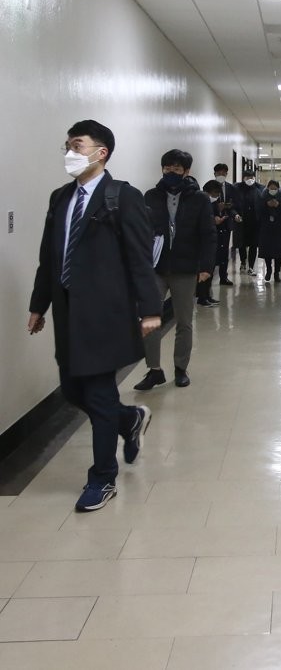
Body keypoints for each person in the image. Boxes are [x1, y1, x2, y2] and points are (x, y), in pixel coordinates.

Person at [28, 119, 162, 512]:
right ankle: (129, 420)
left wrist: (151, 308)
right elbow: (47, 259)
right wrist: (39, 305)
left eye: (78, 145)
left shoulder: (122, 196)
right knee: (73, 390)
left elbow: (139, 256)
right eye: (67, 145)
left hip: (106, 313)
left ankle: (102, 478)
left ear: (101, 152)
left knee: (100, 393)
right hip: (69, 312)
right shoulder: (60, 198)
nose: (70, 153)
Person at [135, 150, 216, 390]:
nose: (172, 173)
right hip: (156, 269)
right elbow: (140, 232)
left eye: (177, 169)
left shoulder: (199, 199)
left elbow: (208, 235)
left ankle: (180, 368)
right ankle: (154, 370)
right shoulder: (150, 196)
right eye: (168, 168)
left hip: (186, 268)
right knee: (149, 319)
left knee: (184, 321)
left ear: (187, 172)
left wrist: (206, 266)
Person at [196, 178, 234, 306]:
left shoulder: (212, 203)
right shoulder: (201, 202)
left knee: (210, 269)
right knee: (204, 270)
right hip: (203, 241)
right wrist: (214, 220)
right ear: (208, 192)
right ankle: (202, 297)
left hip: (213, 239)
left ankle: (207, 295)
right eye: (215, 194)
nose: (216, 196)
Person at [258, 179, 281, 283]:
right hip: (266, 228)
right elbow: (259, 212)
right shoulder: (263, 198)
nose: (273, 190)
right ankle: (269, 270)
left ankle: (277, 273)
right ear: (267, 188)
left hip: (279, 228)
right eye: (271, 188)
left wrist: (278, 206)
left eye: (275, 188)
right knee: (267, 251)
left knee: (278, 252)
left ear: (278, 189)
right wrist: (267, 206)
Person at [234, 169, 262, 276]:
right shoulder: (237, 188)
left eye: (252, 178)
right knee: (242, 244)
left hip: (255, 222)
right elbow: (233, 205)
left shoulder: (260, 188)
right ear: (243, 178)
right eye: (247, 178)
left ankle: (251, 266)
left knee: (254, 245)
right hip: (241, 221)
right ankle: (243, 261)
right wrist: (235, 214)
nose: (250, 180)